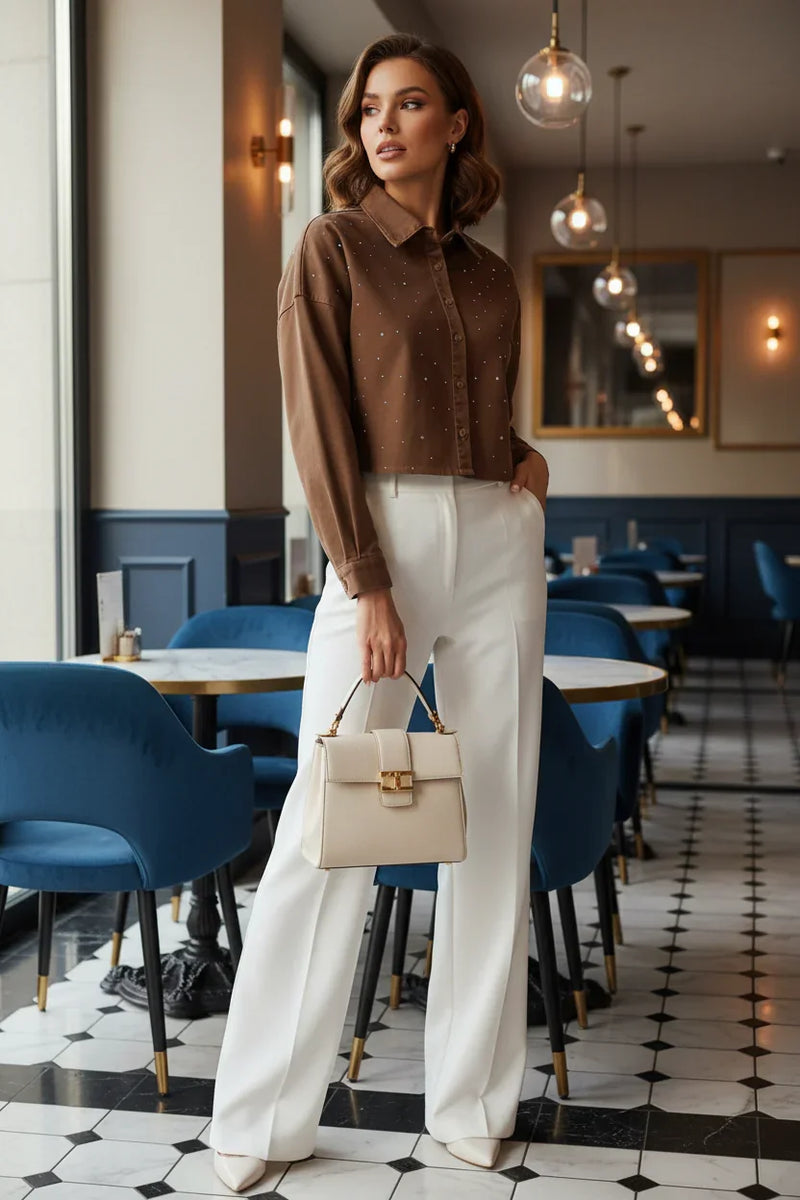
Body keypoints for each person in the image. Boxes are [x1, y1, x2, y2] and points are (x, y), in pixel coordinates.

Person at [210, 32, 548, 1193]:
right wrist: (365, 581)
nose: (383, 126)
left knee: (494, 823)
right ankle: (258, 1121)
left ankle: (472, 1102)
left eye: (411, 106)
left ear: (458, 124)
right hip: (385, 545)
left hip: (497, 541)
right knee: (331, 827)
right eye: (367, 111)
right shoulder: (332, 245)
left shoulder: (492, 277)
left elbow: (480, 418)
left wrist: (521, 461)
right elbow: (320, 429)